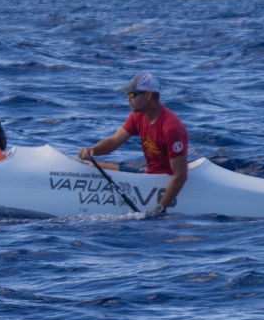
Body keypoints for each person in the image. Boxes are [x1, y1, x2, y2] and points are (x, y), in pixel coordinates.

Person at [76, 71, 188, 214]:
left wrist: (160, 208)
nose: (127, 99)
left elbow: (180, 176)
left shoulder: (171, 128)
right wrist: (93, 151)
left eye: (131, 95)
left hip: (161, 179)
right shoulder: (137, 116)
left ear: (148, 95)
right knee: (90, 165)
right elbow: (113, 141)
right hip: (147, 170)